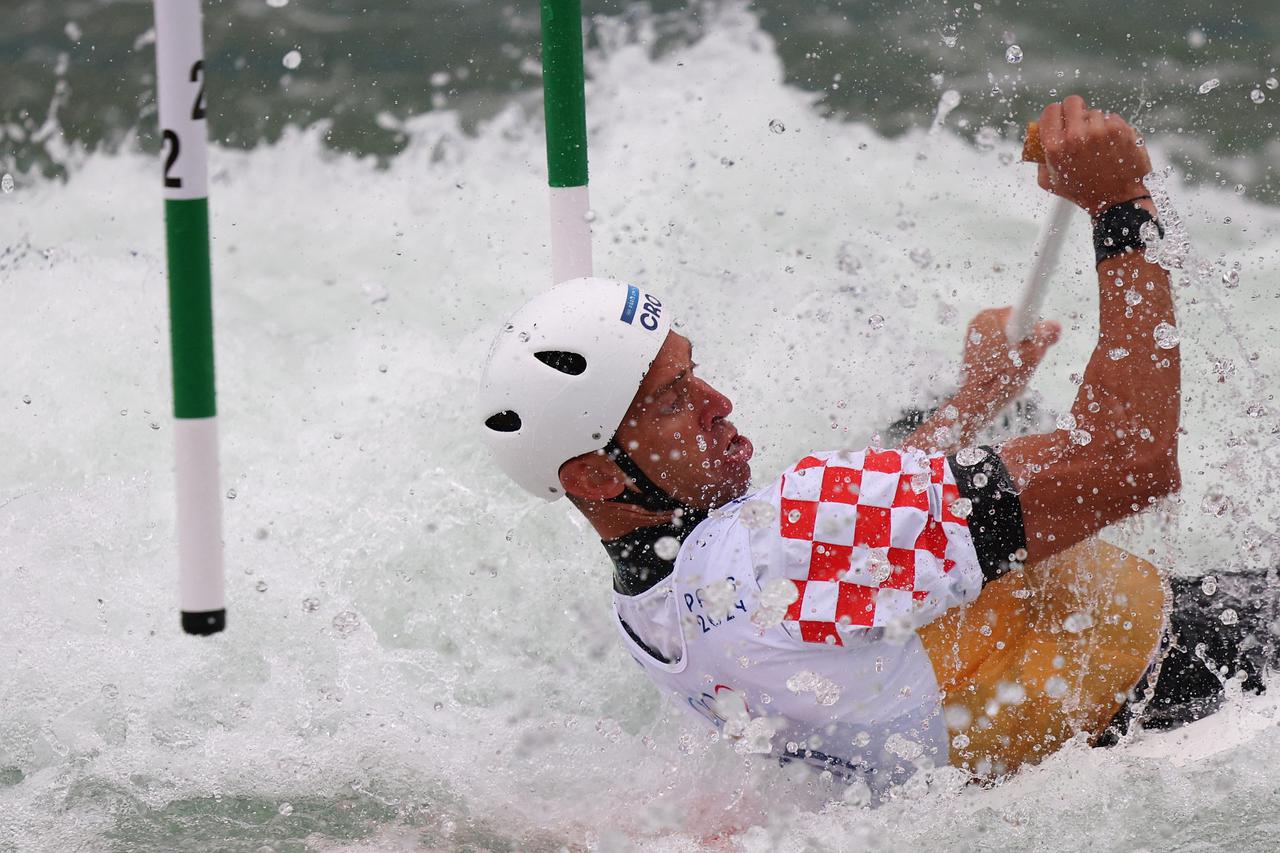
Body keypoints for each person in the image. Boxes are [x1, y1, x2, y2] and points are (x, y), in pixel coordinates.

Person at [477, 95, 1248, 798]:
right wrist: (1119, 206)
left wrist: (974, 400)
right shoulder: (785, 536)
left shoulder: (651, 614)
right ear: (597, 475)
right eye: (676, 399)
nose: (719, 403)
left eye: (695, 372)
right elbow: (1130, 460)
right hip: (1195, 678)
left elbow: (852, 552)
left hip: (1056, 744)